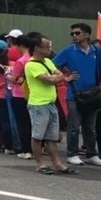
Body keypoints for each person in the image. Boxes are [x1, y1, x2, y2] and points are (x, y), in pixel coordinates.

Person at [52, 21, 101, 167]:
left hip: (92, 94)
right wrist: (65, 78)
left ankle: (91, 154)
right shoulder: (68, 50)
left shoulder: (96, 51)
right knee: (73, 126)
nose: (74, 36)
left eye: (77, 33)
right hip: (74, 94)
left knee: (90, 127)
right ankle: (72, 154)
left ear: (86, 34)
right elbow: (52, 65)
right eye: (72, 33)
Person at [23, 33, 78, 175]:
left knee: (52, 137)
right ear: (36, 48)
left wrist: (56, 77)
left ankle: (57, 164)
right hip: (38, 104)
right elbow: (50, 80)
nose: (49, 49)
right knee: (37, 136)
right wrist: (57, 78)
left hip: (51, 103)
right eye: (46, 46)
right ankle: (40, 164)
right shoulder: (31, 65)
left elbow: (58, 75)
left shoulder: (48, 61)